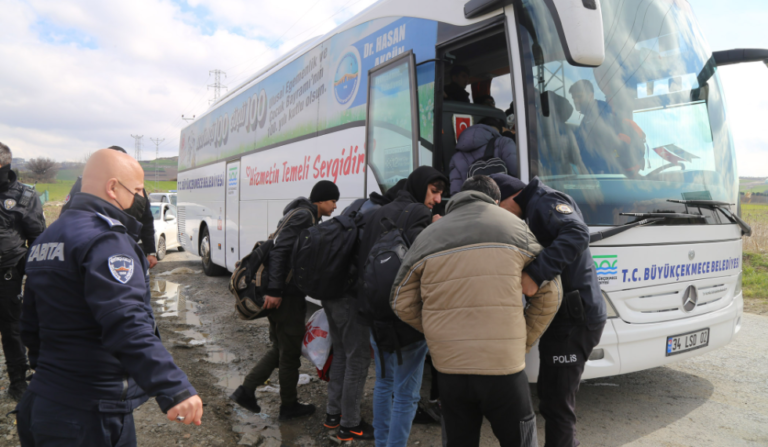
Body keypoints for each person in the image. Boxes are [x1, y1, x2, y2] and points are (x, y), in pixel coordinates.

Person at [18, 148, 203, 446]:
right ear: (113, 187)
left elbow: (29, 324)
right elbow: (126, 322)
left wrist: (52, 376)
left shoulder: (49, 236)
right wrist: (174, 387)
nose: (141, 198)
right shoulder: (107, 240)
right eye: (138, 190)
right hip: (88, 414)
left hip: (43, 402)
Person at [390, 175, 562, 447]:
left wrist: (439, 334)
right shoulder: (515, 227)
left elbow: (400, 299)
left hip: (450, 370)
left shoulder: (429, 235)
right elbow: (551, 293)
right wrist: (523, 340)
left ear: (458, 198)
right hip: (504, 369)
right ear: (495, 200)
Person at [491, 173, 607, 447]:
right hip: (566, 317)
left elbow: (577, 233)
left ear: (508, 197)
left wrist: (535, 274)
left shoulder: (545, 201)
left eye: (497, 209)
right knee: (551, 396)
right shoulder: (534, 208)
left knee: (557, 405)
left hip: (574, 319)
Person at [230, 180, 339, 420]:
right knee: (289, 353)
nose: (335, 206)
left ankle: (246, 390)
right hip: (286, 296)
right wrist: (275, 291)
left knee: (280, 347)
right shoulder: (304, 216)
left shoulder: (303, 215)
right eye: (333, 201)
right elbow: (279, 251)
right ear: (321, 200)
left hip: (285, 293)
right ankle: (288, 406)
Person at [358, 166, 447, 447]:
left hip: (376, 314)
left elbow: (362, 262)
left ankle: (382, 443)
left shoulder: (376, 213)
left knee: (384, 383)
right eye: (434, 191)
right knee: (407, 394)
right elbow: (426, 265)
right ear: (421, 187)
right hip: (407, 317)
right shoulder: (419, 213)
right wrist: (435, 229)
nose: (437, 199)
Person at [323, 180, 406, 442]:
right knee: (358, 359)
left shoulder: (359, 205)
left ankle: (333, 414)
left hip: (331, 290)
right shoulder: (382, 216)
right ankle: (350, 424)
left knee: (341, 354)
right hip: (350, 296)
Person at [62, 146, 159, 268]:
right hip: (90, 247)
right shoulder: (85, 182)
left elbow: (146, 219)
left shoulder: (134, 187)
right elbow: (67, 214)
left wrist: (150, 251)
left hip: (128, 244)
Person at [0, 142, 45, 401]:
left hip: (8, 273)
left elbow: (37, 238)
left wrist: (31, 273)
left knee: (12, 329)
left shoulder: (24, 196)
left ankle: (18, 382)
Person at [449, 117, 518, 195]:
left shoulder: (456, 157)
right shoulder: (504, 143)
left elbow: (456, 193)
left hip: (474, 201)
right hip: (503, 200)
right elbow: (517, 172)